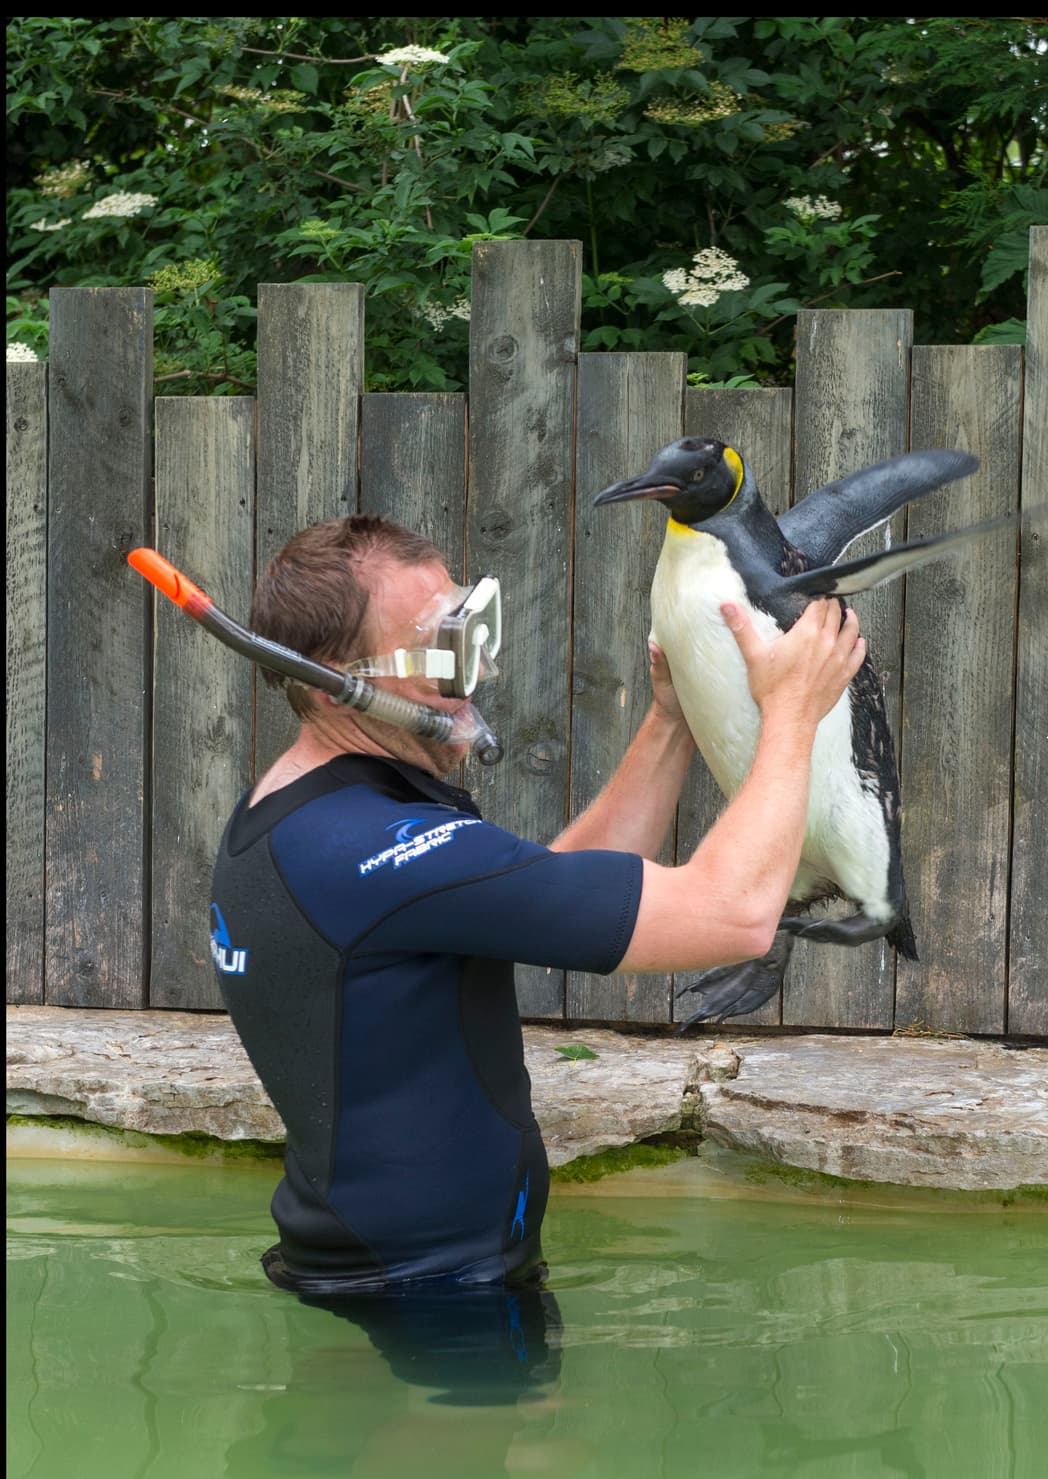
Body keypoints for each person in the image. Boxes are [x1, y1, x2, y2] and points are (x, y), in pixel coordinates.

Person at [210, 513, 865, 1301]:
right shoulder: (371, 849)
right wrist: (794, 715)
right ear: (337, 678)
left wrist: (670, 719)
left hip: (376, 1262)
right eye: (446, 648)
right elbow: (735, 915)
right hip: (435, 1292)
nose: (473, 674)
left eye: (471, 629)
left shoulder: (320, 815)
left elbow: (553, 888)